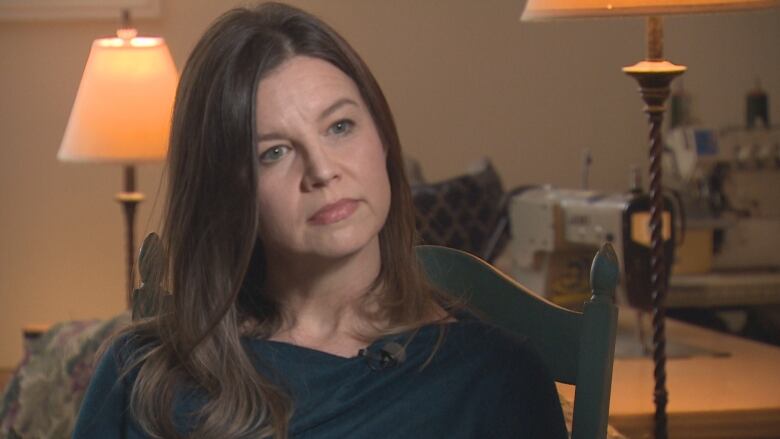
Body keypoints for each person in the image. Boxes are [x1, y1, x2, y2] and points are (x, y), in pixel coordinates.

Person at [73, 3, 567, 438]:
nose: (323, 170)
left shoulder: (493, 378)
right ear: (227, 192)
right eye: (275, 152)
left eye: (340, 126)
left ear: (384, 139)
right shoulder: (143, 373)